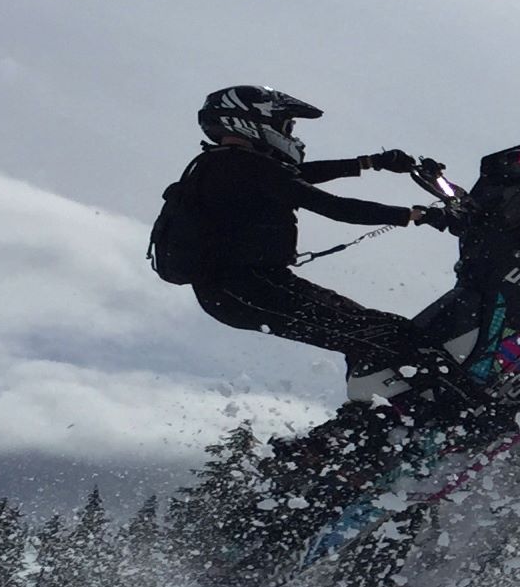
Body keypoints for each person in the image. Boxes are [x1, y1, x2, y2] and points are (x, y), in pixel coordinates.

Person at [154, 86, 458, 381]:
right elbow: (334, 207)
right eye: (287, 126)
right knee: (388, 333)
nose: (291, 136)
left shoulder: (226, 164)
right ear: (254, 121)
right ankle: (469, 413)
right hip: (248, 288)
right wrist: (416, 215)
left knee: (369, 333)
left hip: (244, 287)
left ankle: (375, 414)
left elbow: (296, 177)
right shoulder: (240, 165)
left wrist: (370, 163)